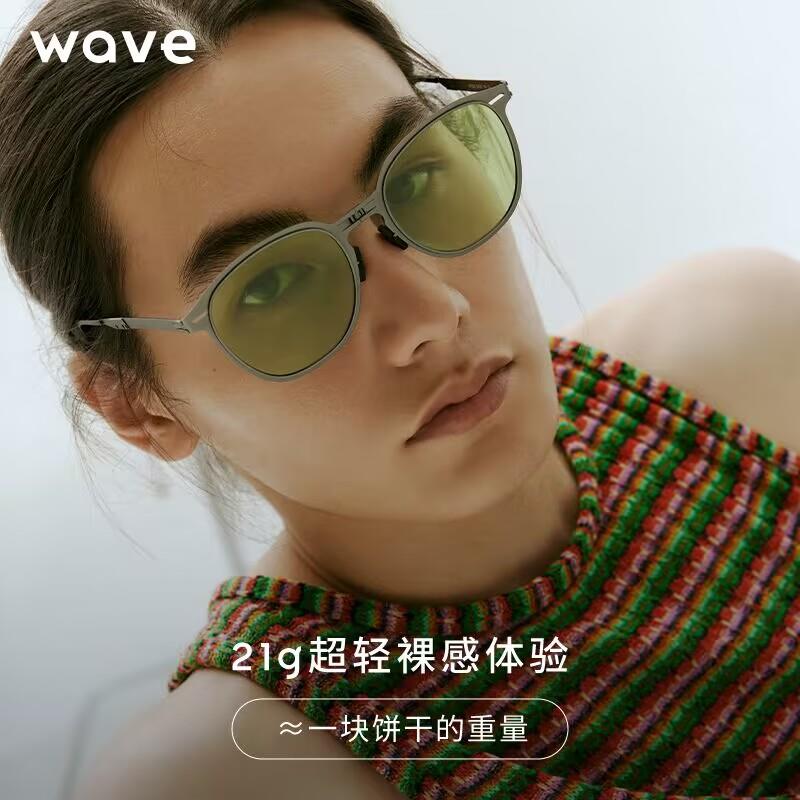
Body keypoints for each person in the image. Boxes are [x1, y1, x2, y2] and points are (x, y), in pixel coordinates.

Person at [1, 1, 798, 798]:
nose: (432, 314)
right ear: (137, 406)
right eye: (274, 284)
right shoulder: (231, 774)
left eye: (416, 177)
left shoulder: (747, 348)